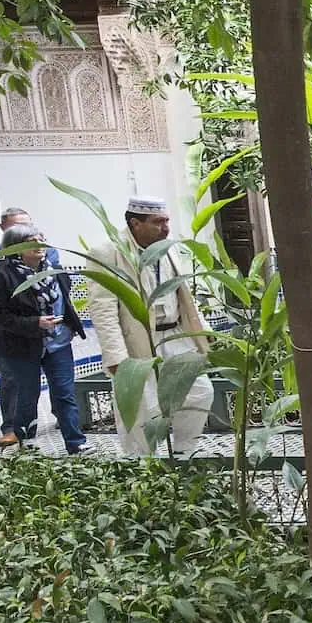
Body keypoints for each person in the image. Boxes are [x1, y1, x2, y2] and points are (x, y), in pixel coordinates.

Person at [81, 195, 213, 456]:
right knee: (141, 406)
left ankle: (185, 453)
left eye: (167, 221)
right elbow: (103, 308)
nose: (166, 228)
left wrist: (204, 331)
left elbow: (184, 296)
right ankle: (144, 464)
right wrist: (116, 356)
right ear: (135, 223)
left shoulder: (168, 248)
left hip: (176, 336)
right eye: (158, 222)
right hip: (138, 340)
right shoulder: (107, 252)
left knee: (200, 392)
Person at [0, 224, 88, 454]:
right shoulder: (4, 278)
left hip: (58, 344)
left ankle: (76, 443)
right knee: (26, 396)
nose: (39, 245)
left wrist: (71, 325)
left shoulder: (55, 271)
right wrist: (35, 323)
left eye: (41, 239)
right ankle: (26, 441)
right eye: (31, 241)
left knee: (64, 394)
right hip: (22, 346)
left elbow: (65, 302)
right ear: (16, 248)